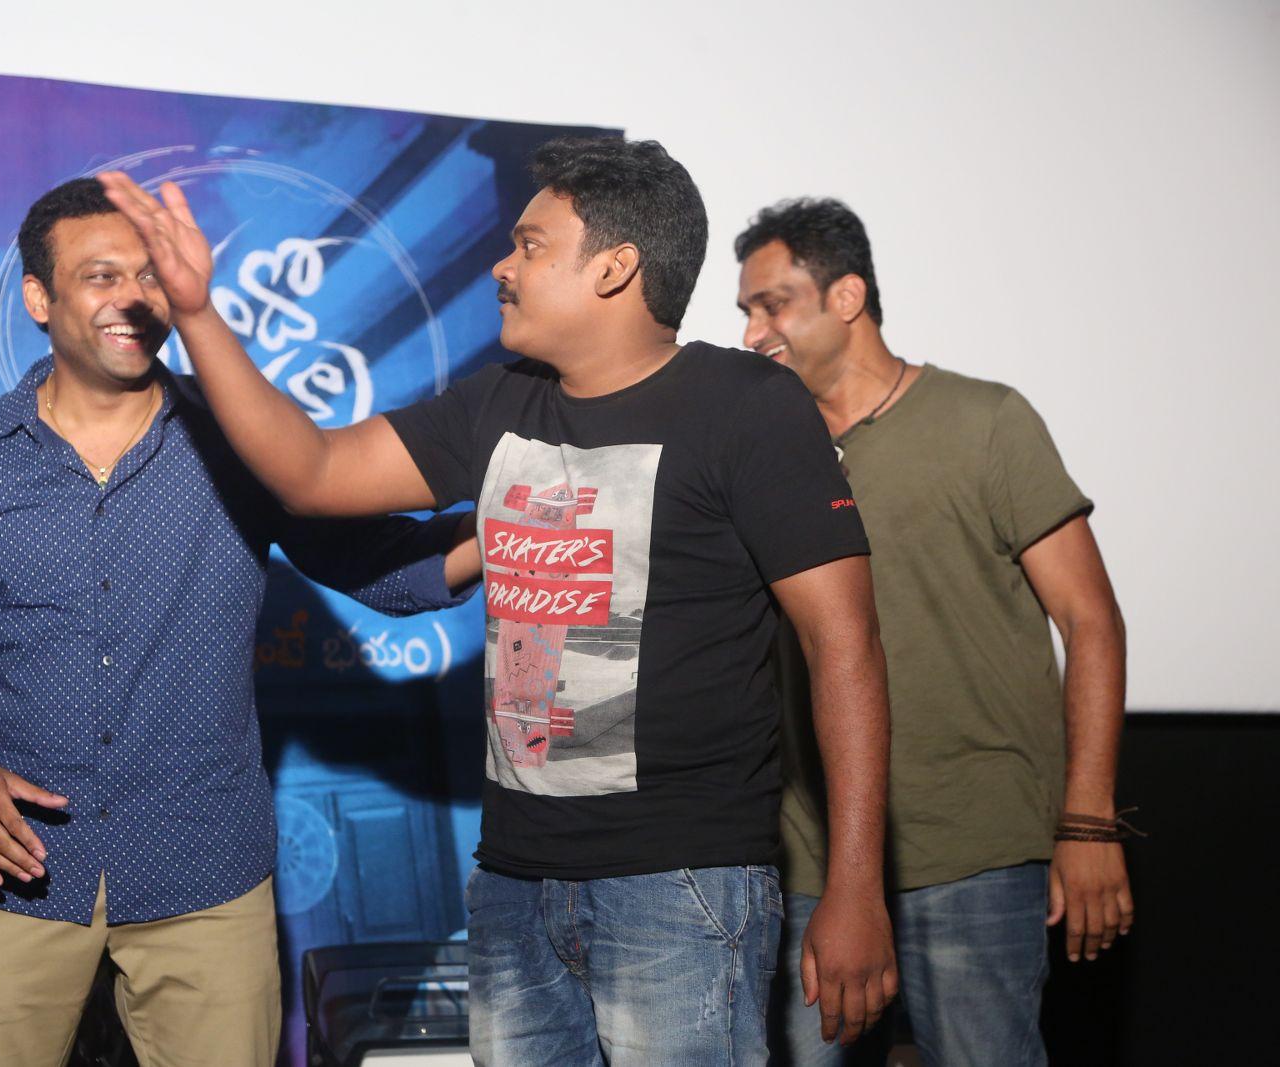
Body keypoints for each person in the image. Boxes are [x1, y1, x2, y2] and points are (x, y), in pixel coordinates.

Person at [96, 137, 898, 1066]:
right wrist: (198, 314)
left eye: (529, 245)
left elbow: (844, 645)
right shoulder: (502, 401)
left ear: (613, 268)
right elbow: (312, 472)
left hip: (680, 885)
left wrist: (857, 886)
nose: (500, 266)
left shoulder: (748, 404)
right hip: (515, 886)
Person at [0, 177, 479, 1067]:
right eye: (100, 276)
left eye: (148, 274)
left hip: (204, 869)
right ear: (38, 298)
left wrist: (509, 520)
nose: (133, 297)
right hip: (16, 870)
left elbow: (379, 566)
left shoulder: (242, 439)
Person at [734, 198, 1132, 1066]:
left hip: (972, 848)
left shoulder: (985, 421)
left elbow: (1091, 620)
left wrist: (1088, 823)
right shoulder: (764, 453)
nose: (753, 332)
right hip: (807, 863)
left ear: (847, 297)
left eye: (773, 305)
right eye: (746, 311)